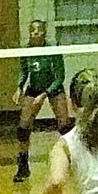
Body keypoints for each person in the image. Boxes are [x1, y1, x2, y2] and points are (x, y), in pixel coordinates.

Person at [12, 19, 71, 182]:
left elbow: (60, 77)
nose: (35, 33)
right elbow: (24, 71)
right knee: (23, 127)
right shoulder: (27, 50)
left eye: (38, 30)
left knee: (64, 126)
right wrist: (19, 87)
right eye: (32, 30)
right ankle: (23, 167)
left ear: (44, 32)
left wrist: (45, 94)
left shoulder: (52, 49)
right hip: (34, 88)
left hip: (53, 88)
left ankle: (74, 161)